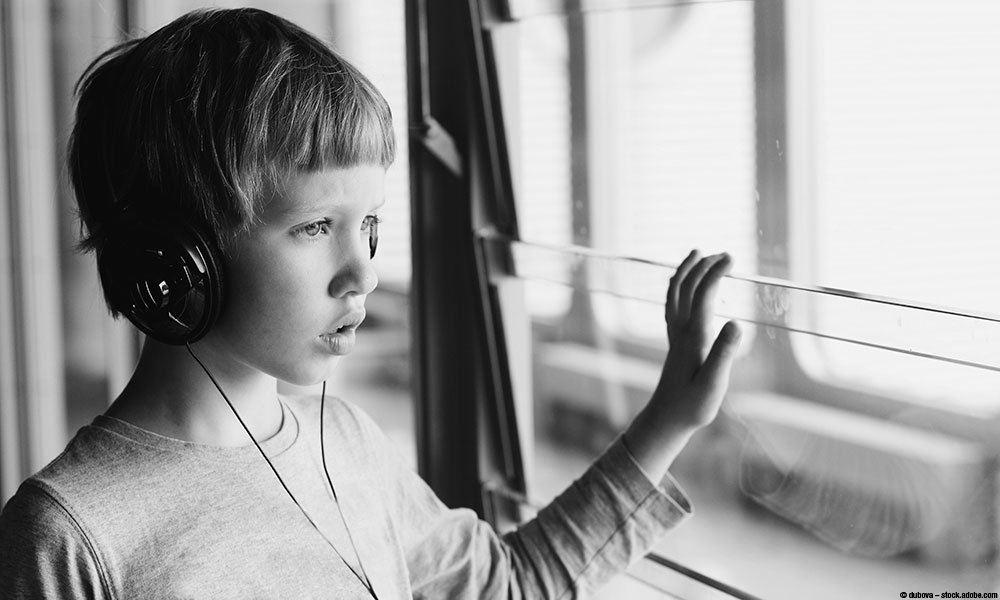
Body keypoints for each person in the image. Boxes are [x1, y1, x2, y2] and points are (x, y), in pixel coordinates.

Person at [0, 7, 742, 599]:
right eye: (316, 226)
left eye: (371, 225)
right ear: (177, 257)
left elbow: (509, 586)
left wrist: (668, 420)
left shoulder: (349, 444)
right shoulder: (71, 534)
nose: (363, 272)